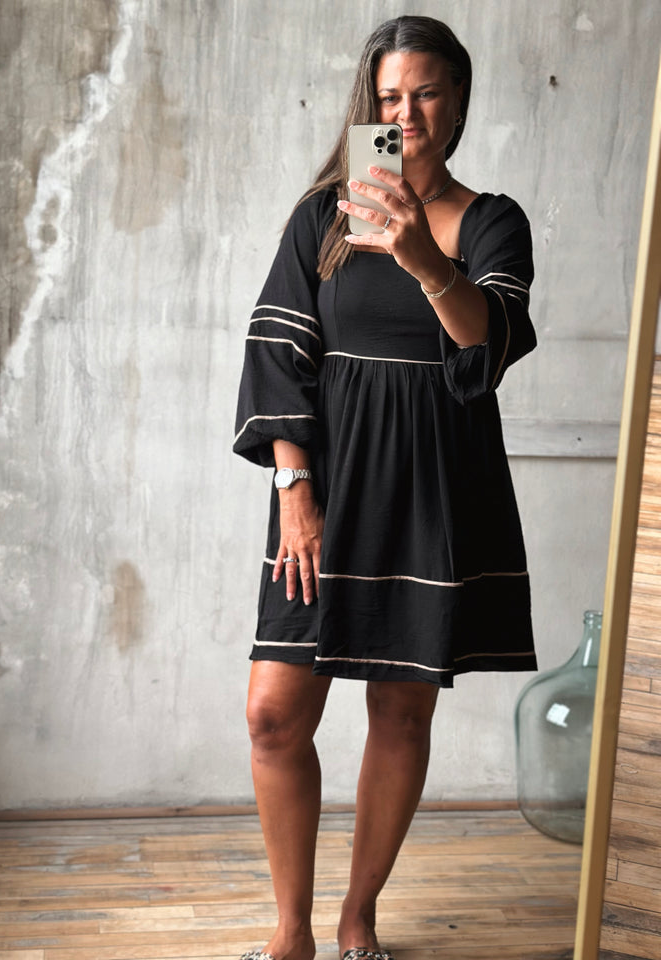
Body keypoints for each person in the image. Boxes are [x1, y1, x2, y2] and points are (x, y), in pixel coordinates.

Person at [233, 15, 537, 960]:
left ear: (458, 104)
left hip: (437, 488)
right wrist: (295, 488)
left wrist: (419, 256)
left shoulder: (492, 221)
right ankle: (290, 932)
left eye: (427, 94)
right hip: (327, 485)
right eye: (389, 97)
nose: (405, 115)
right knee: (274, 712)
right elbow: (279, 352)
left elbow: (485, 345)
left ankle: (357, 915)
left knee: (400, 709)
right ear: (371, 106)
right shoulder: (324, 215)